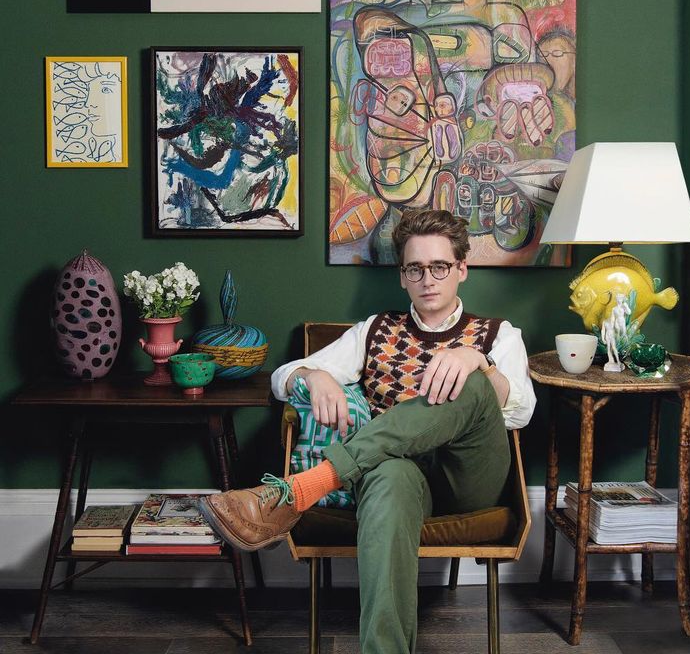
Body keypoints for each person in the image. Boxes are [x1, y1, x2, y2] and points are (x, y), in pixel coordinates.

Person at [199, 209, 536, 654]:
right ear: (402, 276)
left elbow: (521, 412)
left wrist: (479, 362)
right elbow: (283, 378)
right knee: (388, 476)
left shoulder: (498, 335)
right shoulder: (375, 330)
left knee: (469, 378)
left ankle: (300, 489)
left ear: (461, 269)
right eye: (415, 268)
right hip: (399, 473)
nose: (428, 279)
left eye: (439, 267)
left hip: (469, 475)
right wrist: (313, 375)